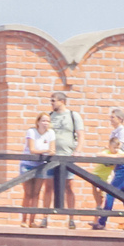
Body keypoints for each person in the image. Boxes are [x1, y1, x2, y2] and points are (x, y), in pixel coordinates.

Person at [46, 90, 81, 225]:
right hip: (52, 156)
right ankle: (45, 217)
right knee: (48, 186)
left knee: (69, 186)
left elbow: (80, 134)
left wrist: (77, 150)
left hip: (67, 156)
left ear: (62, 101)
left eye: (53, 100)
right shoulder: (49, 116)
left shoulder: (73, 115)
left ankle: (71, 219)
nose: (51, 103)